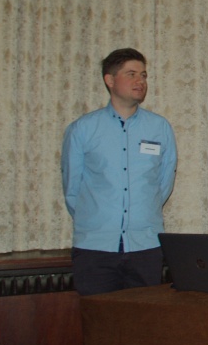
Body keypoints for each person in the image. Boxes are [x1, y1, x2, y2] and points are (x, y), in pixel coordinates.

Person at [61, 48, 177, 296]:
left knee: (144, 317)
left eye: (143, 75)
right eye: (131, 74)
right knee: (98, 319)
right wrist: (98, 221)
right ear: (110, 80)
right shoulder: (83, 129)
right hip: (95, 248)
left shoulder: (159, 128)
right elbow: (72, 188)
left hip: (145, 247)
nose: (140, 81)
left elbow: (164, 182)